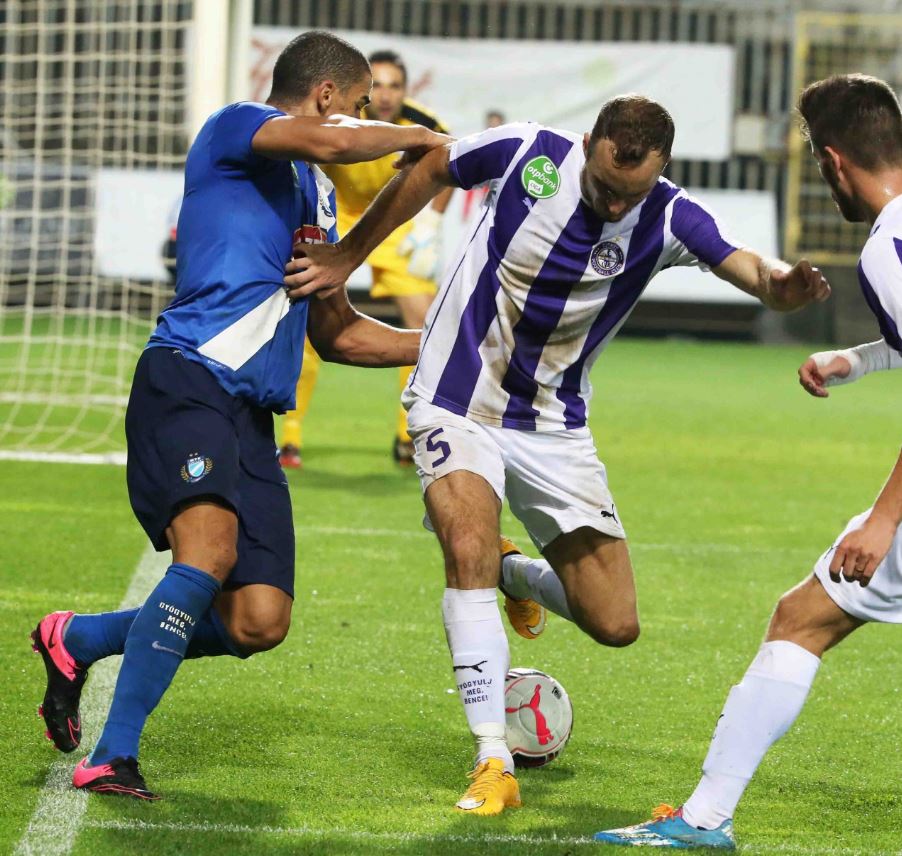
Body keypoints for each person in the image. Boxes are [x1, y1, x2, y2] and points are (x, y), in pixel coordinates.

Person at [283, 94, 831, 815]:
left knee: (613, 622)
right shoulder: (528, 152)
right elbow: (431, 166)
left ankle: (515, 572)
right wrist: (350, 253)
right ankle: (491, 758)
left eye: (628, 193)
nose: (612, 204)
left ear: (659, 171)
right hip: (455, 395)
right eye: (604, 185)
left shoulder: (668, 215)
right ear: (587, 143)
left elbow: (755, 272)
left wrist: (785, 288)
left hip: (552, 425)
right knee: (464, 546)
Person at [29, 30, 447, 800]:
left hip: (250, 418)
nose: (361, 122)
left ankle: (78, 638)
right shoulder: (235, 127)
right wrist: (425, 135)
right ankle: (110, 754)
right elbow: (330, 139)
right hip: (188, 380)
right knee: (208, 552)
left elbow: (340, 334)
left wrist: (450, 344)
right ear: (327, 98)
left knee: (259, 621)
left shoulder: (317, 196)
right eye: (358, 106)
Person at [593, 73, 902, 850]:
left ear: (833, 162)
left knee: (802, 620)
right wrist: (860, 363)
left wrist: (886, 520)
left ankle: (703, 820)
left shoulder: (888, 247)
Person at [278, 49, 452, 469]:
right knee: (308, 318)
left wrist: (430, 223)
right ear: (367, 90)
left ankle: (409, 435)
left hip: (393, 223)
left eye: (396, 86)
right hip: (337, 215)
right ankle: (290, 437)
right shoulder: (341, 119)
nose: (387, 96)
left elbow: (450, 166)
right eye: (380, 86)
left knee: (423, 320)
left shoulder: (425, 124)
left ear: (406, 90)